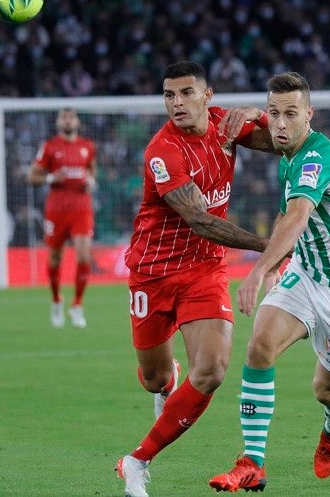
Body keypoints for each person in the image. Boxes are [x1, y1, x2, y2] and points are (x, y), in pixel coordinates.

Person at [210, 71, 330, 493]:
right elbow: (285, 202)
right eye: (275, 113)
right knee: (259, 345)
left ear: (310, 115)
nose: (282, 123)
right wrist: (254, 115)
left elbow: (297, 215)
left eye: (292, 113)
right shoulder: (288, 148)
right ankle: (252, 462)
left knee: (327, 389)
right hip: (308, 270)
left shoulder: (315, 158)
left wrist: (258, 270)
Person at [115, 61, 277, 497]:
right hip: (153, 273)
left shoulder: (226, 125)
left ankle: (135, 461)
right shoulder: (161, 152)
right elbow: (200, 220)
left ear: (208, 95)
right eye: (169, 95)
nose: (177, 103)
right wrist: (270, 245)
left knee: (211, 370)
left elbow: (284, 139)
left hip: (204, 270)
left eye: (187, 93)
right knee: (153, 378)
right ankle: (167, 377)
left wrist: (258, 114)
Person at [28, 109, 98, 328]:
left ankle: (77, 305)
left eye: (71, 117)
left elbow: (93, 171)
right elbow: (33, 176)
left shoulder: (87, 146)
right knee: (55, 257)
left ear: (77, 121)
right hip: (57, 208)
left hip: (81, 207)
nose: (67, 120)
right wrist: (50, 177)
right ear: (58, 122)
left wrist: (92, 182)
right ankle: (57, 300)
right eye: (63, 117)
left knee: (84, 256)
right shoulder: (50, 146)